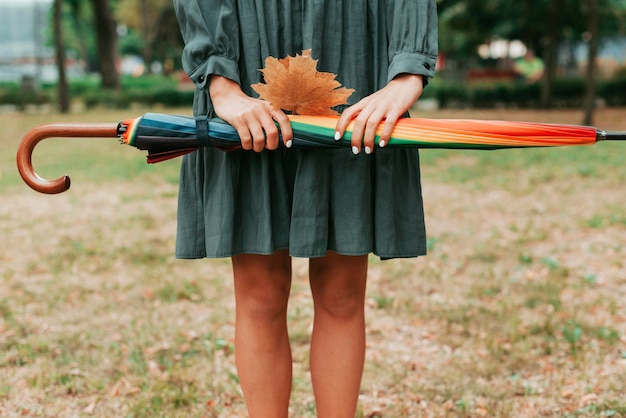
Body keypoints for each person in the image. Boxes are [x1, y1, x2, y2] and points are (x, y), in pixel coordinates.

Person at [173, 1, 438, 417]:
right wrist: (221, 84)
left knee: (342, 291)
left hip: (355, 50)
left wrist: (407, 73)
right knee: (260, 292)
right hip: (245, 53)